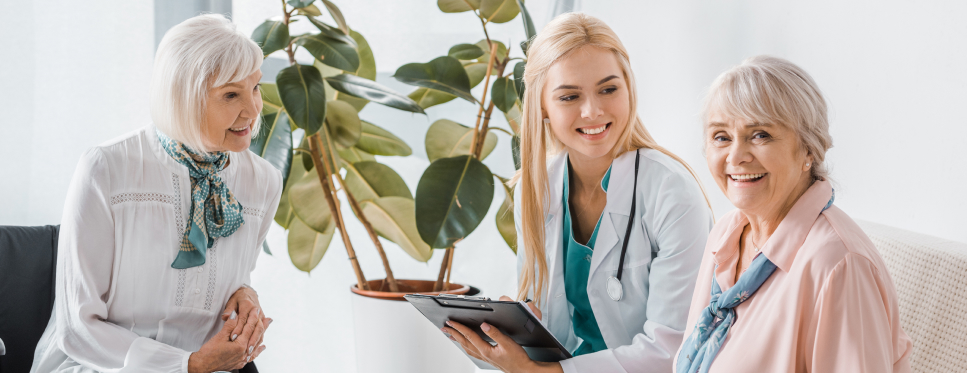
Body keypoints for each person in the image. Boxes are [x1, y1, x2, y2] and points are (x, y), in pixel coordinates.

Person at [444, 13, 714, 373]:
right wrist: (518, 326)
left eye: (608, 89)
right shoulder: (536, 188)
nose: (592, 111)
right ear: (542, 105)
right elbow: (548, 327)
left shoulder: (672, 193)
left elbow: (672, 351)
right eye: (569, 96)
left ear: (629, 88)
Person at [31, 14, 282, 373]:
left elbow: (231, 277)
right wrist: (187, 365)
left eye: (255, 87)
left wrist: (244, 292)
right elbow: (78, 327)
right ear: (184, 98)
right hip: (98, 365)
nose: (253, 109)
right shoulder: (107, 169)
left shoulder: (264, 182)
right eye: (231, 94)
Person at [673, 56, 913, 373]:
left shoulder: (839, 265)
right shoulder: (726, 233)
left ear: (808, 150)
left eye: (760, 134)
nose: (736, 156)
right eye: (722, 137)